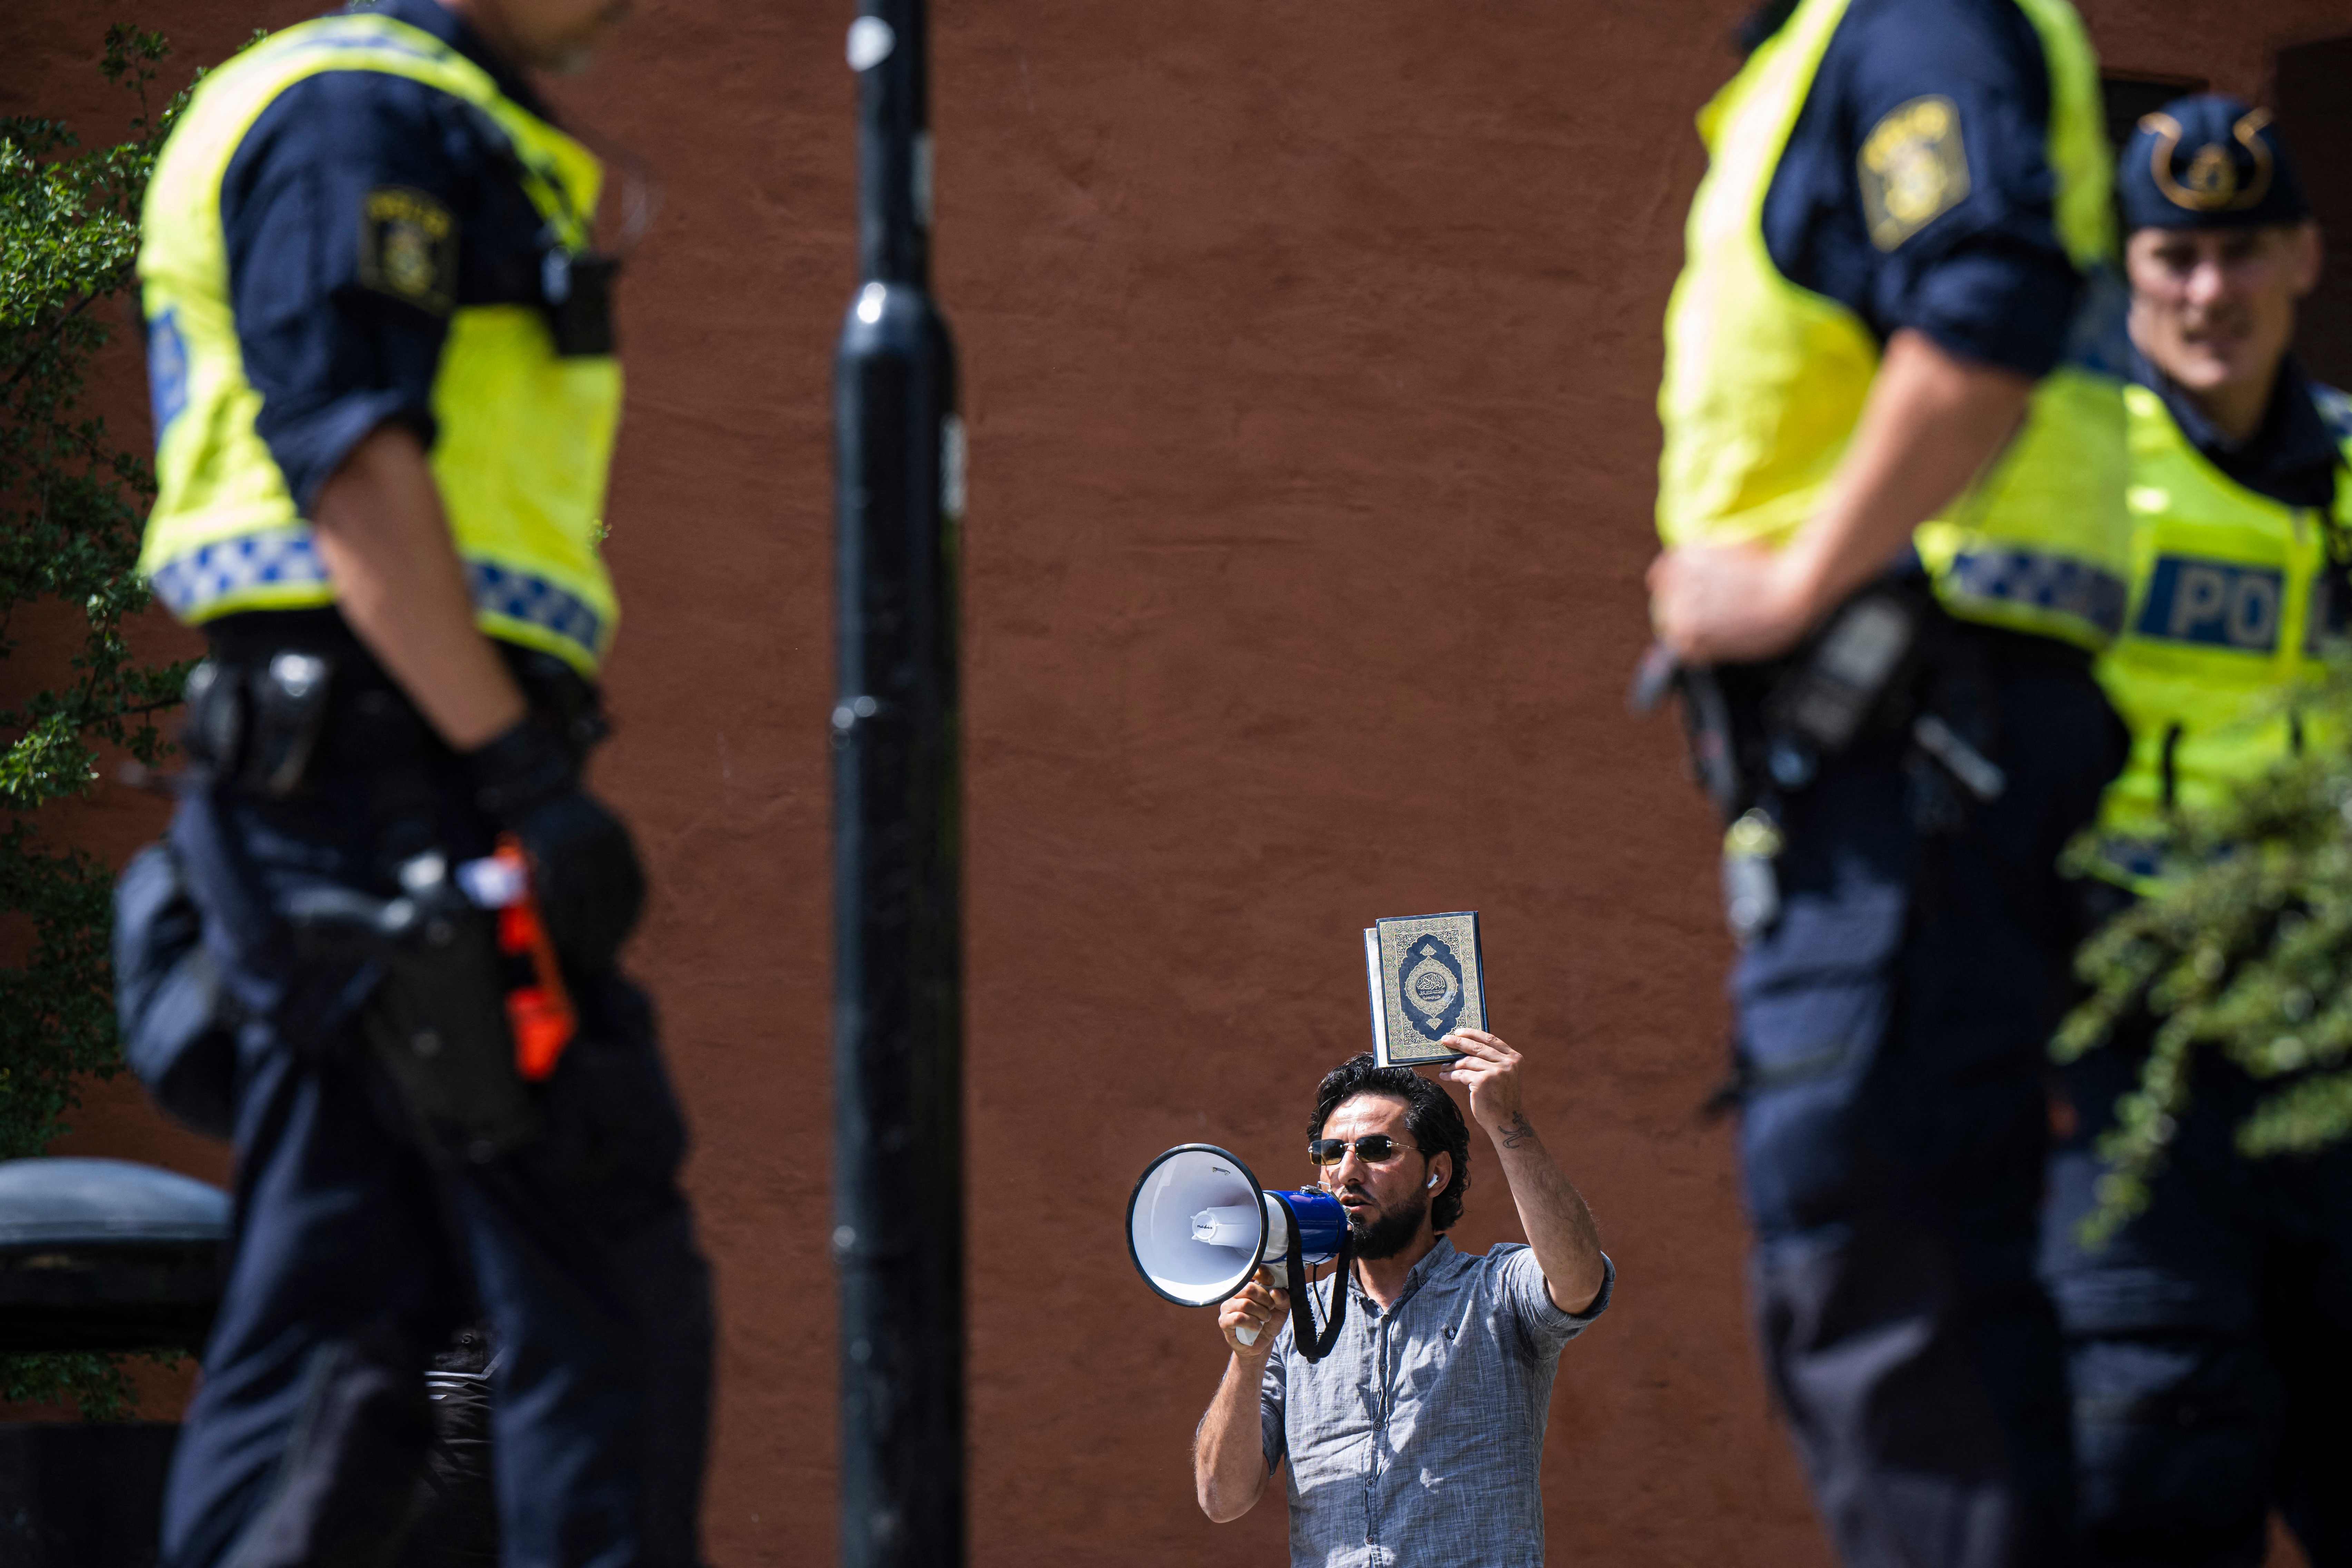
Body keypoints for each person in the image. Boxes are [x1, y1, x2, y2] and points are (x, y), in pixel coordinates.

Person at [123, 0, 714, 1563]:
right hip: (398, 780)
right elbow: (353, 458)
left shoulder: (431, 113)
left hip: (373, 779)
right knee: (592, 1273)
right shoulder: (358, 115)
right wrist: (516, 773)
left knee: (348, 1314)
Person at [1642, 0, 2134, 1562]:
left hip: (1918, 764)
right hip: (1892, 774)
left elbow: (1983, 313)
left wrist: (1790, 592)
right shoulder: (1809, 63)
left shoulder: (1913, 23)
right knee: (1908, 1297)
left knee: (1896, 1282)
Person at [2039, 95, 2352, 1568]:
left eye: (2239, 251)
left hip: (2328, 1060)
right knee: (2152, 1474)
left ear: (2302, 254)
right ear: (2129, 265)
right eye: (2173, 254)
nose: (2207, 290)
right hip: (2130, 1070)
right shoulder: (2059, 476)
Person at [1190, 1035, 1613, 1568]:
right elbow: (1221, 1499)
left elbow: (1578, 1279)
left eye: (1375, 1149)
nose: (1347, 1171)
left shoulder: (1494, 1289)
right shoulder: (1295, 1319)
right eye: (1330, 1152)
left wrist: (1507, 1122)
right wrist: (1247, 1360)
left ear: (1436, 1173)